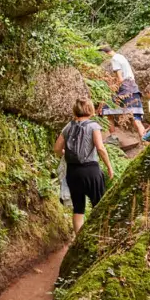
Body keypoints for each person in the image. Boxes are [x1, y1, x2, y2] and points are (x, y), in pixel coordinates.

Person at [55, 98, 114, 235]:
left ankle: (78, 242)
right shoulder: (93, 126)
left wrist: (64, 153)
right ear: (91, 110)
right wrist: (109, 167)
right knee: (99, 205)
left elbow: (57, 148)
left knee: (78, 208)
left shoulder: (68, 126)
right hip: (90, 170)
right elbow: (100, 148)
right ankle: (101, 236)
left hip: (72, 172)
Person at [98, 46, 146, 140]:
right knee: (136, 117)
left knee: (105, 109)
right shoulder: (121, 56)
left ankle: (113, 137)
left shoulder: (114, 59)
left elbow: (120, 79)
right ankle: (145, 140)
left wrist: (111, 90)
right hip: (134, 88)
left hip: (125, 89)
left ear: (104, 53)